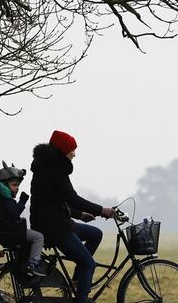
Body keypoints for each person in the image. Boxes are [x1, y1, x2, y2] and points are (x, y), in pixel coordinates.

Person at [30, 130, 115, 303]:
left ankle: (77, 280)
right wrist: (101, 210)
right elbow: (72, 198)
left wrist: (80, 215)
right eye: (72, 150)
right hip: (54, 227)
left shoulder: (47, 166)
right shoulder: (56, 170)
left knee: (95, 234)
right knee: (89, 264)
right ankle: (82, 299)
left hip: (54, 222)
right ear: (62, 150)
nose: (74, 154)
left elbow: (56, 200)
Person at [0, 162, 48, 276]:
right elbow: (14, 213)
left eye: (18, 185)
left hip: (6, 232)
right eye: (14, 185)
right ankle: (33, 264)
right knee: (38, 237)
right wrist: (22, 201)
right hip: (13, 232)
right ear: (3, 185)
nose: (17, 188)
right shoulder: (7, 200)